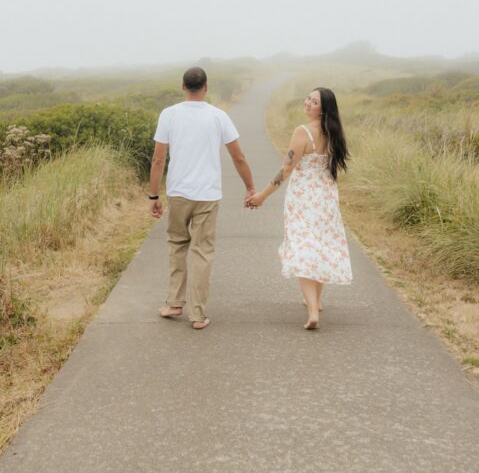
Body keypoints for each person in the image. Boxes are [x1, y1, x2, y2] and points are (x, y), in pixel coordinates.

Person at [148, 66, 255, 330]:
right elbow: (238, 156)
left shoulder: (169, 115)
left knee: (176, 245)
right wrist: (250, 187)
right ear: (206, 88)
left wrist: (153, 195)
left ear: (182, 87)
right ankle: (197, 314)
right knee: (202, 252)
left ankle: (174, 302)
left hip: (178, 193)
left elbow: (158, 158)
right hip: (207, 195)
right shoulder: (219, 116)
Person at [246, 87, 352, 329]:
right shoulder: (334, 133)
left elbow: (286, 169)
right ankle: (317, 300)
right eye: (308, 98)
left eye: (314, 102)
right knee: (321, 245)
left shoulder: (303, 132)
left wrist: (261, 196)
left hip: (303, 198)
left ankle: (313, 310)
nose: (307, 103)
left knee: (302, 246)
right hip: (326, 196)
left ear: (323, 109)